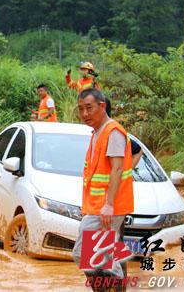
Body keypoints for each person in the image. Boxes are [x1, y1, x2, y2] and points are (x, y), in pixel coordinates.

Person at [72, 89, 134, 281]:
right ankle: (112, 283)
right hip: (98, 208)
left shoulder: (113, 132)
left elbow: (117, 169)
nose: (84, 114)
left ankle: (113, 284)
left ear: (102, 106)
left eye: (89, 108)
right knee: (98, 257)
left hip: (107, 209)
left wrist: (109, 204)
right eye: (81, 109)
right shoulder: (98, 132)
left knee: (87, 254)